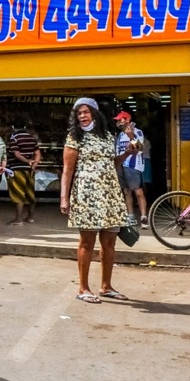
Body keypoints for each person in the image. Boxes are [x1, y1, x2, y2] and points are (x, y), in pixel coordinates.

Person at [61, 98, 132, 304]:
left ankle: (106, 286)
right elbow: (68, 170)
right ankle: (83, 288)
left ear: (95, 113)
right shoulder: (74, 138)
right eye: (78, 113)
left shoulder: (107, 136)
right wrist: (64, 198)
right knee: (87, 241)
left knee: (109, 241)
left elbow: (112, 163)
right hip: (87, 194)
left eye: (85, 112)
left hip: (109, 192)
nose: (82, 116)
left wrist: (128, 152)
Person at [114, 111, 148, 229]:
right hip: (122, 166)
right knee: (126, 191)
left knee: (138, 192)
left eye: (120, 120)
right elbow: (118, 150)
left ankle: (144, 217)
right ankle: (130, 216)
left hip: (133, 165)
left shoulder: (137, 132)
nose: (118, 122)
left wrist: (131, 137)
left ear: (127, 120)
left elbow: (140, 150)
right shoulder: (120, 135)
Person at [7, 118, 42, 225]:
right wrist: (34, 163)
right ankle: (30, 217)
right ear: (25, 127)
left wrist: (28, 161)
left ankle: (18, 219)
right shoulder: (31, 137)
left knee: (18, 193)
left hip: (17, 169)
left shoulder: (14, 138)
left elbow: (16, 154)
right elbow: (38, 152)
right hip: (30, 170)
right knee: (30, 193)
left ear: (13, 127)